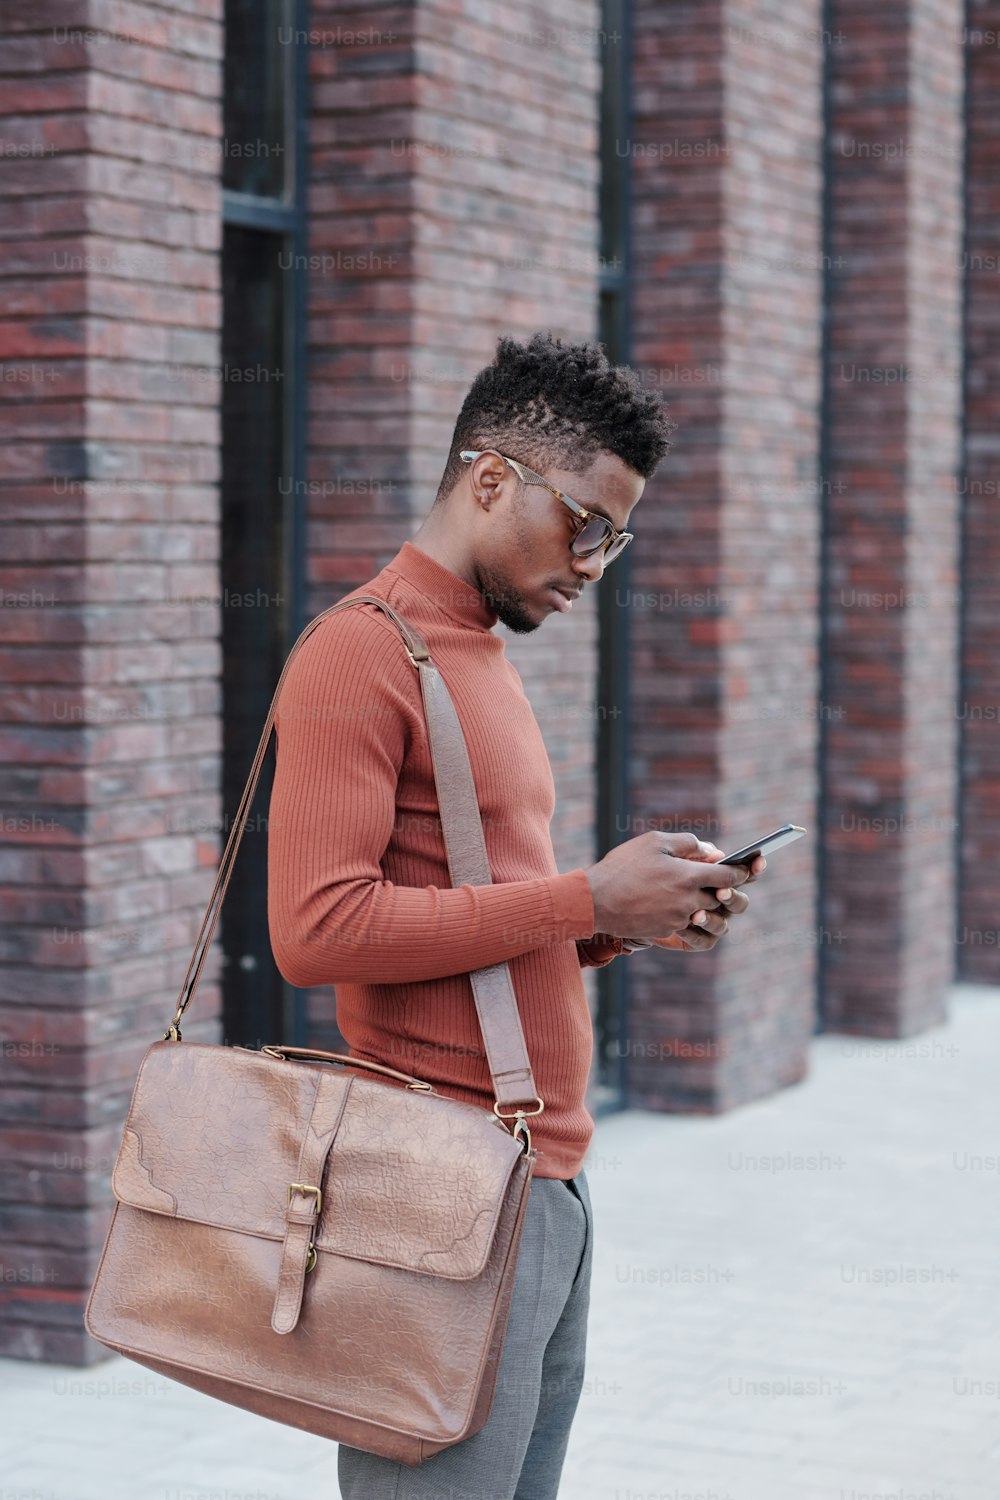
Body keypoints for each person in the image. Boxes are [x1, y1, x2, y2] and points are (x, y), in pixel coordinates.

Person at [266, 331, 763, 1499]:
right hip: (438, 1187)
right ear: (490, 479)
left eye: (619, 536)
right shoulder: (358, 652)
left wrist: (614, 923)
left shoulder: (477, 649)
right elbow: (316, 929)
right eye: (585, 523)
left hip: (544, 1183)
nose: (598, 560)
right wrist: (584, 893)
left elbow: (471, 914)